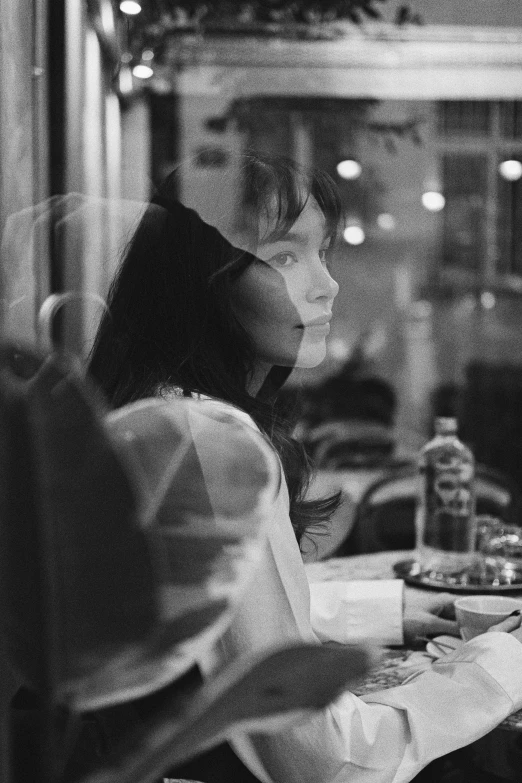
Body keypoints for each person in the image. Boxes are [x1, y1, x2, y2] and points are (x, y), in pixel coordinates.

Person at [88, 152, 522, 783]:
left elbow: (228, 618)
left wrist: (389, 611)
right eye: (286, 257)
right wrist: (501, 665)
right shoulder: (205, 439)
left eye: (323, 253)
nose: (327, 284)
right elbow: (322, 759)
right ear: (201, 280)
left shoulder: (170, 414)